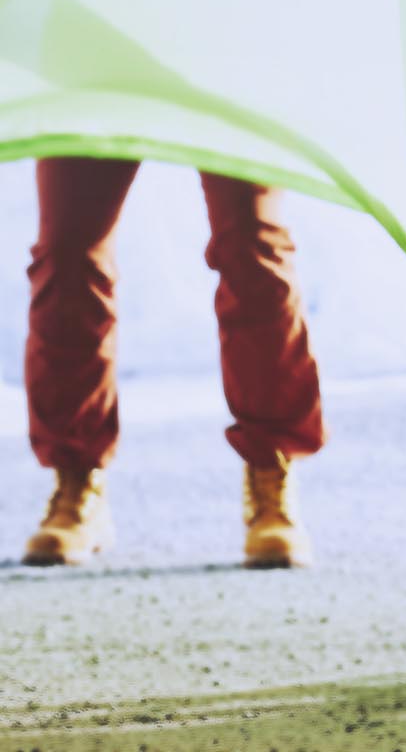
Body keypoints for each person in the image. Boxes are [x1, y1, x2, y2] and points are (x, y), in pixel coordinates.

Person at [20, 158, 323, 569]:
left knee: (253, 244)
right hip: (98, 92)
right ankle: (76, 481)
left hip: (234, 91)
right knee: (67, 250)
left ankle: (272, 469)